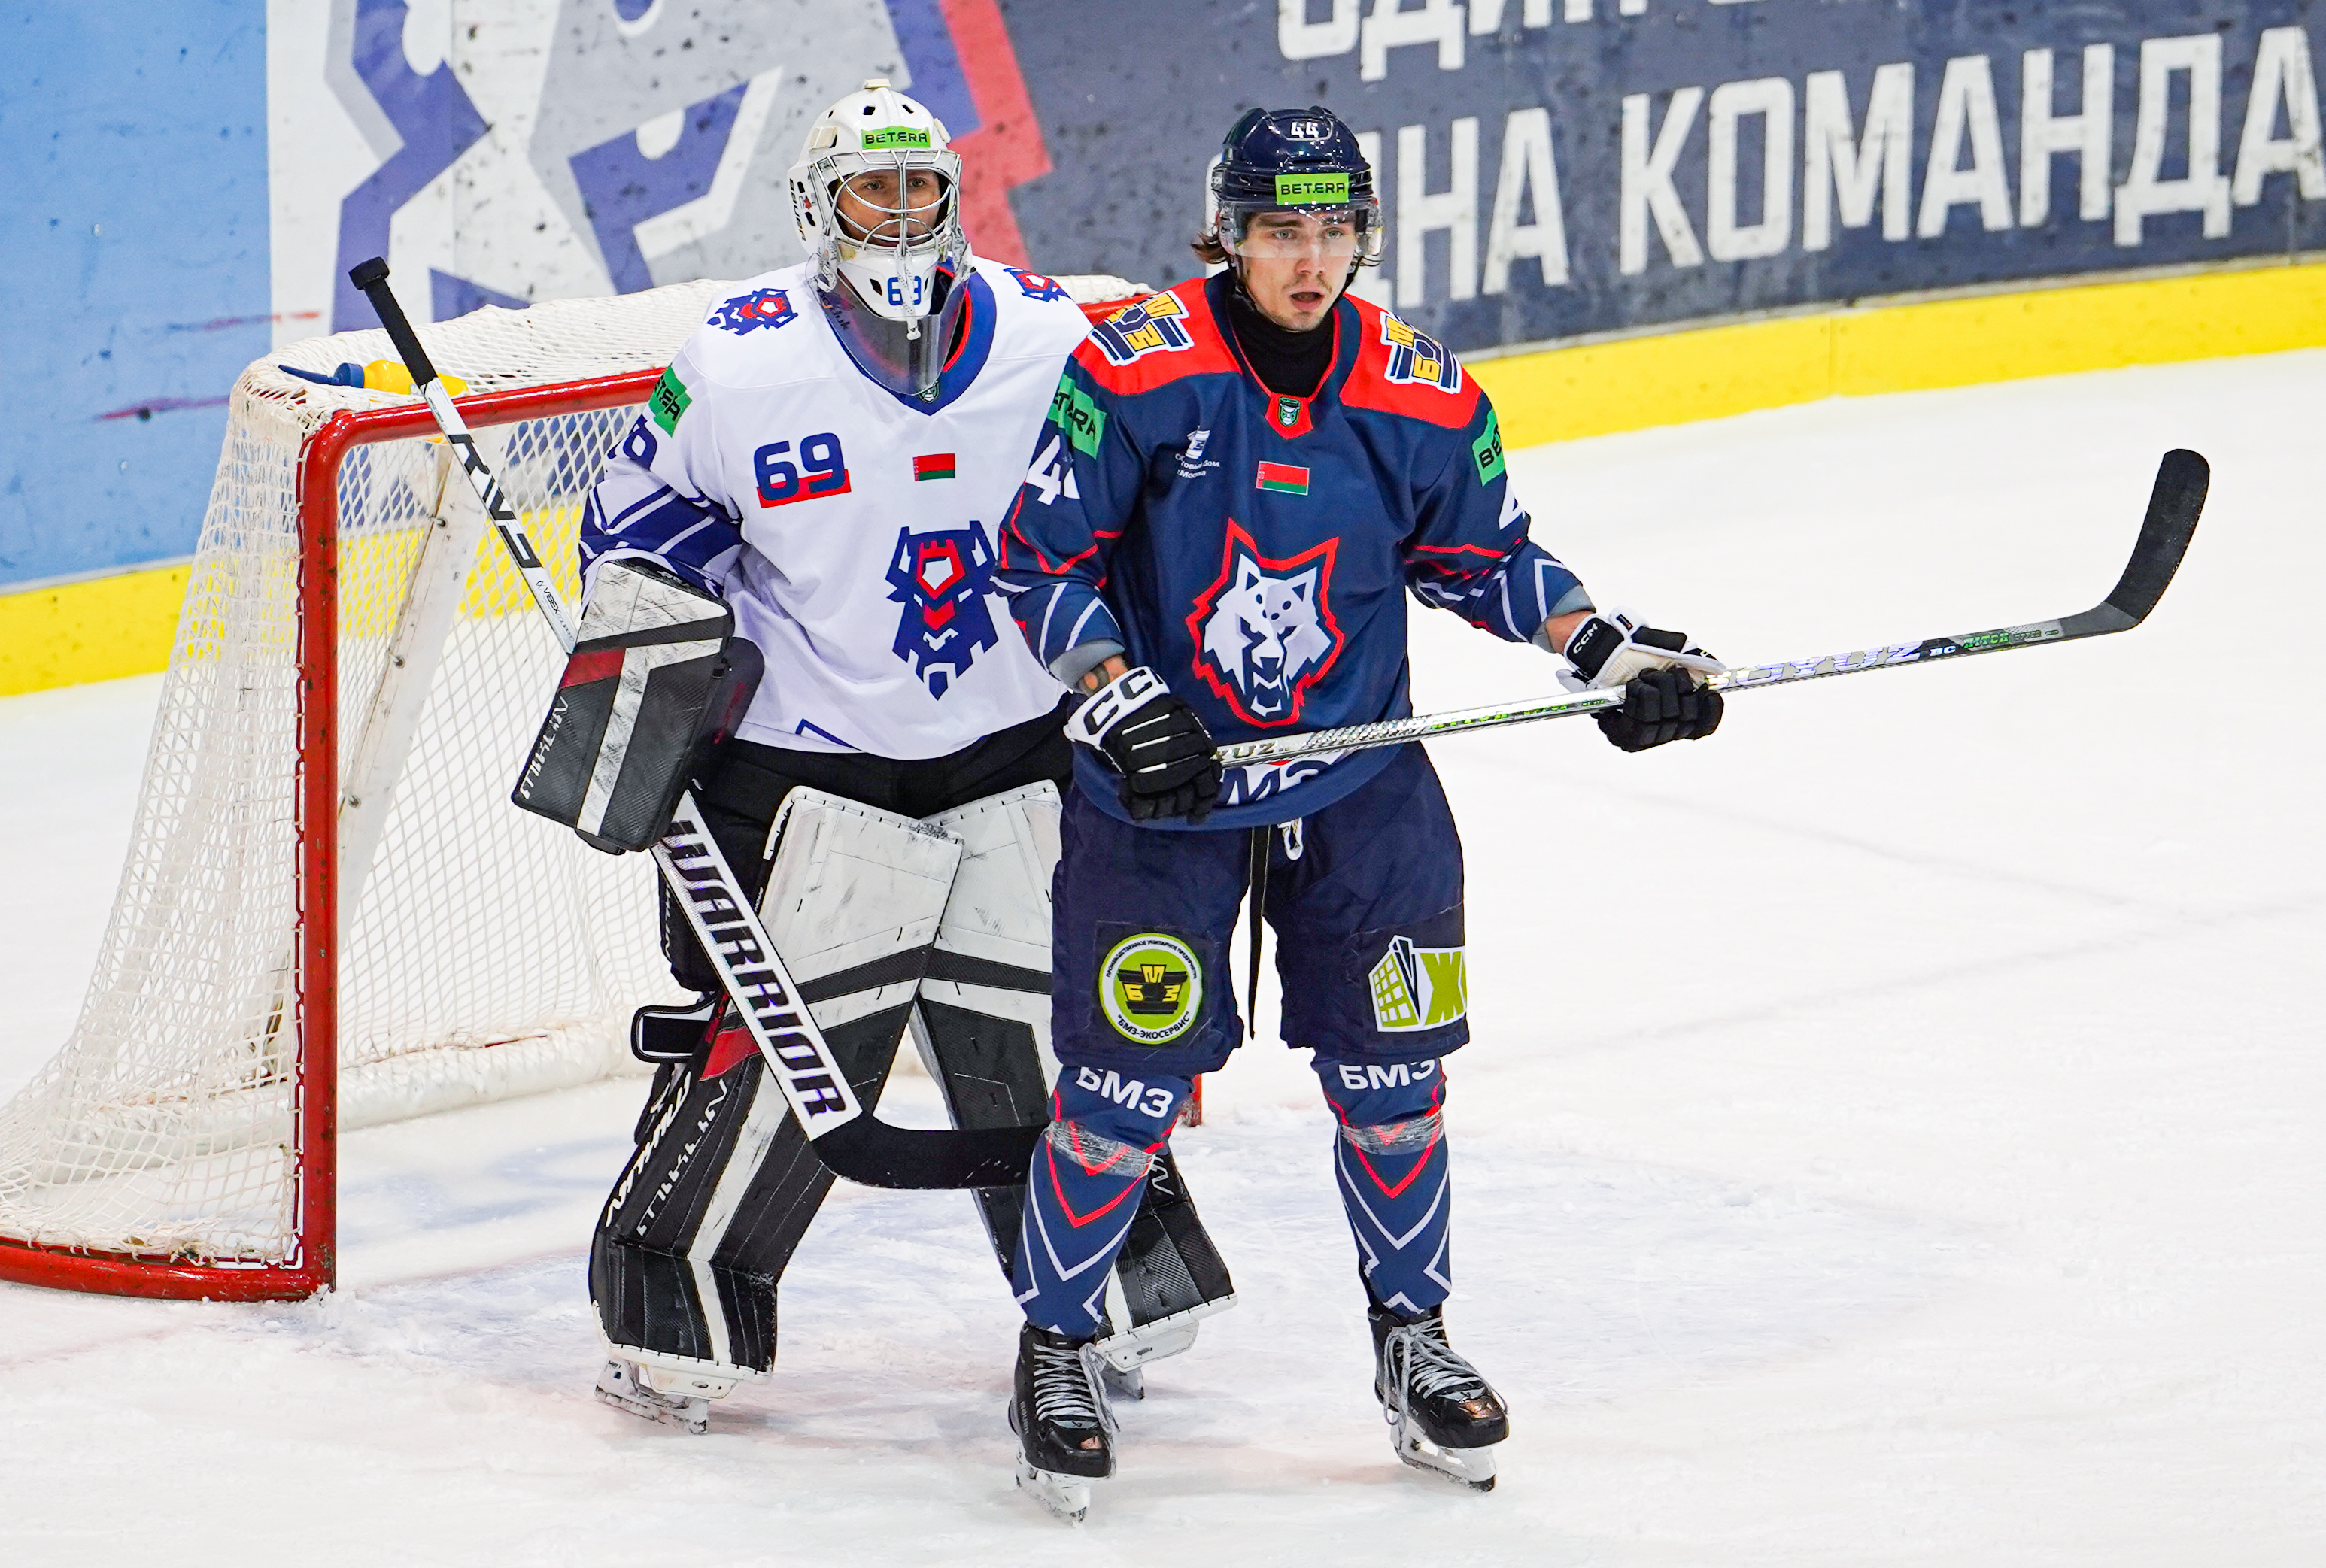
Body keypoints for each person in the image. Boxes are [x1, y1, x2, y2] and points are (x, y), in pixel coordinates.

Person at [991, 106, 1723, 1516]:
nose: (1311, 260)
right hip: (1169, 790)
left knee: (1396, 1088)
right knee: (1121, 1093)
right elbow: (1038, 563)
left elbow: (1483, 553)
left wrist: (1599, 646)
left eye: (1336, 231)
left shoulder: (1421, 389)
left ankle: (1414, 1338)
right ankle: (1058, 1343)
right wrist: (1113, 692)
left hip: (1358, 786)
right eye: (1281, 231)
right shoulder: (1134, 368)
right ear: (1229, 234)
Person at [570, 80, 1232, 1436]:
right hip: (807, 772)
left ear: (951, 194)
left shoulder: (1052, 338)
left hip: (1013, 754)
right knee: (779, 1059)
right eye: (870, 189)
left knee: (1057, 1042)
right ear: (820, 206)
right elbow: (630, 521)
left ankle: (1102, 1291)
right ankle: (677, 1308)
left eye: (919, 185)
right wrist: (668, 620)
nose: (898, 211)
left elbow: (1147, 499)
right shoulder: (738, 358)